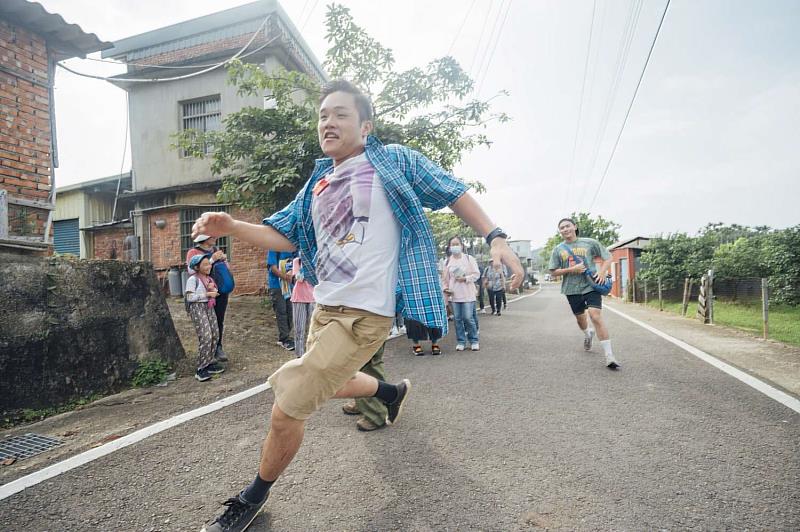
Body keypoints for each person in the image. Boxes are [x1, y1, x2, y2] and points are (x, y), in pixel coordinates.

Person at [194, 79, 523, 532]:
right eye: (323, 115)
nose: (328, 121)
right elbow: (284, 235)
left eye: (341, 114)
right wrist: (232, 224)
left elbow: (452, 189)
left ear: (365, 126)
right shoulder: (317, 182)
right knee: (332, 381)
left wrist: (495, 236)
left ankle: (251, 498)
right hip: (324, 308)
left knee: (288, 406)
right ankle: (390, 393)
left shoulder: (393, 162)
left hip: (365, 315)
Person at [548, 217, 619, 369]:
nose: (565, 229)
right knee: (580, 319)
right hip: (571, 289)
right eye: (562, 228)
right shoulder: (558, 249)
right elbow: (553, 272)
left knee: (595, 316)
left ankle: (609, 356)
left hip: (591, 285)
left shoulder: (590, 243)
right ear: (560, 231)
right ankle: (588, 333)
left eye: (568, 226)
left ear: (575, 226)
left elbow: (608, 257)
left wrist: (601, 272)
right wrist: (571, 270)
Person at [186, 235, 232, 362]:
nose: (215, 238)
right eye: (211, 236)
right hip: (203, 294)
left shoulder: (216, 249)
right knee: (205, 323)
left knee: (219, 319)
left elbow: (227, 269)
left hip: (219, 290)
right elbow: (191, 270)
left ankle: (218, 347)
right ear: (204, 239)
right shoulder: (193, 252)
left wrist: (224, 259)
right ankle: (207, 352)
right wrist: (212, 259)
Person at [185, 255, 225, 382]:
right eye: (205, 265)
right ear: (197, 267)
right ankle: (201, 368)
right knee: (206, 335)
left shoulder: (208, 279)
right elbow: (189, 297)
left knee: (215, 334)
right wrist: (207, 294)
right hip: (198, 308)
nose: (208, 267)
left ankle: (210, 362)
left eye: (209, 264)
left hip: (209, 307)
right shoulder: (193, 280)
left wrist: (213, 291)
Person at [442, 236, 480, 351]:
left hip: (468, 294)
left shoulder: (469, 258)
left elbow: (476, 274)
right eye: (452, 244)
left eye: (457, 244)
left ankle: (474, 340)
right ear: (449, 247)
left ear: (462, 246)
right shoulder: (447, 261)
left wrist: (465, 278)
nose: (455, 246)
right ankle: (461, 341)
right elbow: (444, 279)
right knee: (457, 319)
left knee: (468, 318)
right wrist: (446, 288)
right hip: (454, 295)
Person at [267, 250, 295, 351]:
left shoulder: (291, 246)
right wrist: (286, 277)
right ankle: (284, 339)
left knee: (290, 310)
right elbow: (273, 268)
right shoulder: (274, 248)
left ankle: (286, 336)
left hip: (290, 286)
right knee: (281, 311)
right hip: (277, 285)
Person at [289, 256, 314, 358]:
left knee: (314, 330)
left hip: (314, 297)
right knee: (299, 330)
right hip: (299, 297)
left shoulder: (316, 259)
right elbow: (298, 278)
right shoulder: (297, 261)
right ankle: (299, 356)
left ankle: (312, 355)